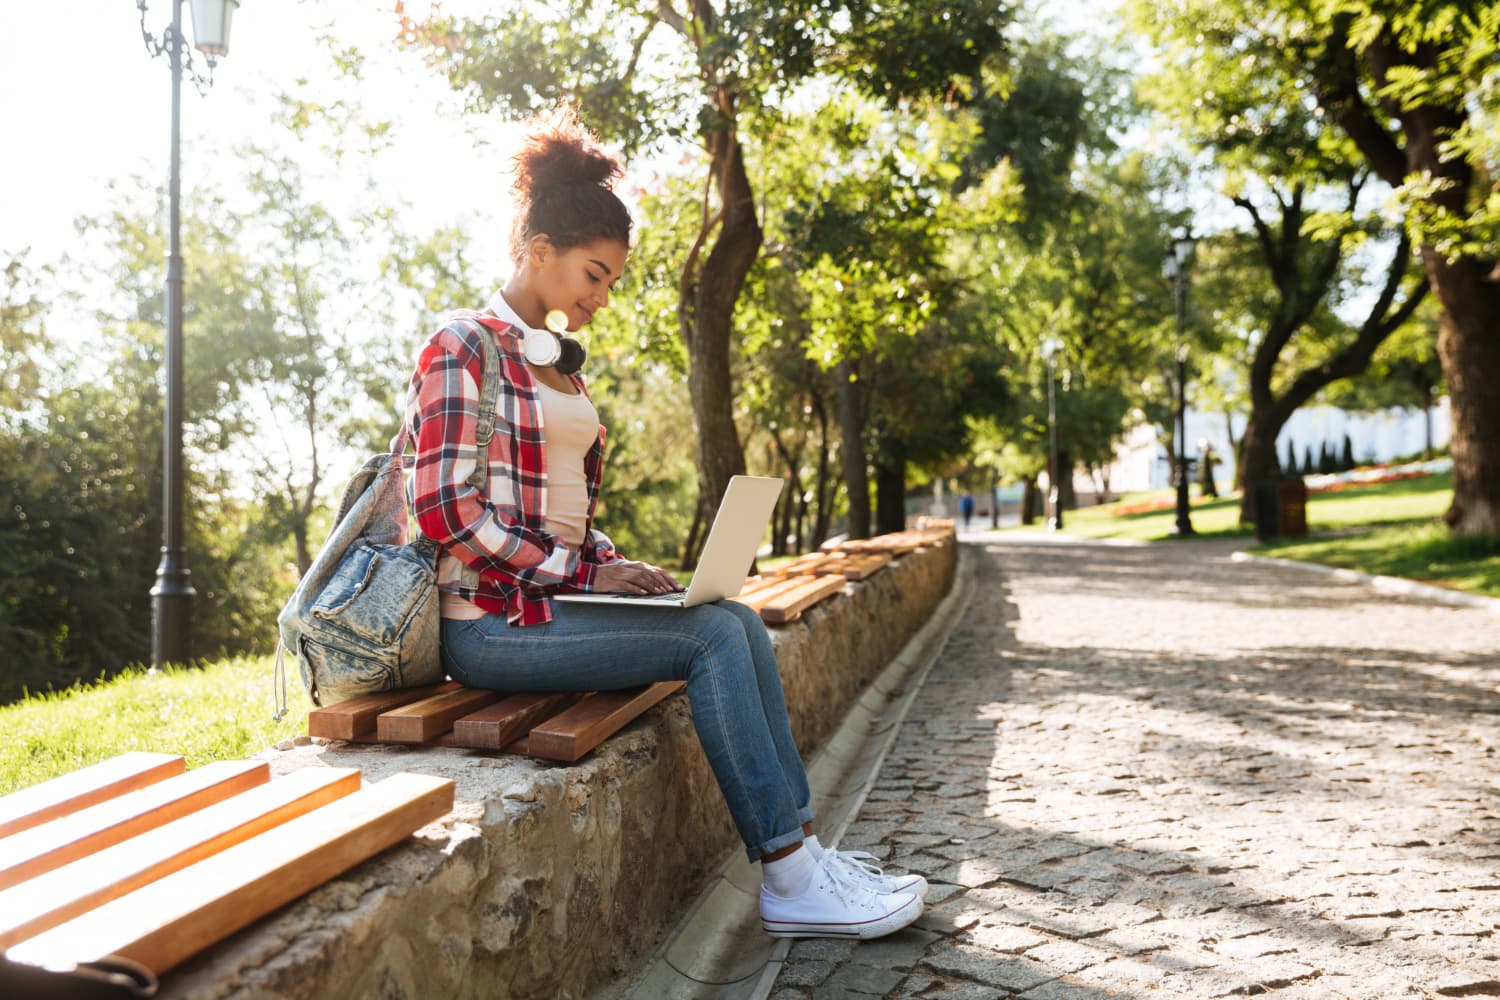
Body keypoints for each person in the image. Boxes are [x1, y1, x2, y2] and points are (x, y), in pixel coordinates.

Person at [401, 105, 925, 940]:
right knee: (711, 640)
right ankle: (789, 883)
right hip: (490, 624)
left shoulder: (556, 365)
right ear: (539, 252)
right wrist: (583, 575)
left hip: (548, 603)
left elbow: (557, 513)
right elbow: (444, 512)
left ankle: (807, 855)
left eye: (611, 280)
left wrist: (614, 565)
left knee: (738, 622)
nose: (603, 297)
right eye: (593, 274)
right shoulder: (465, 345)